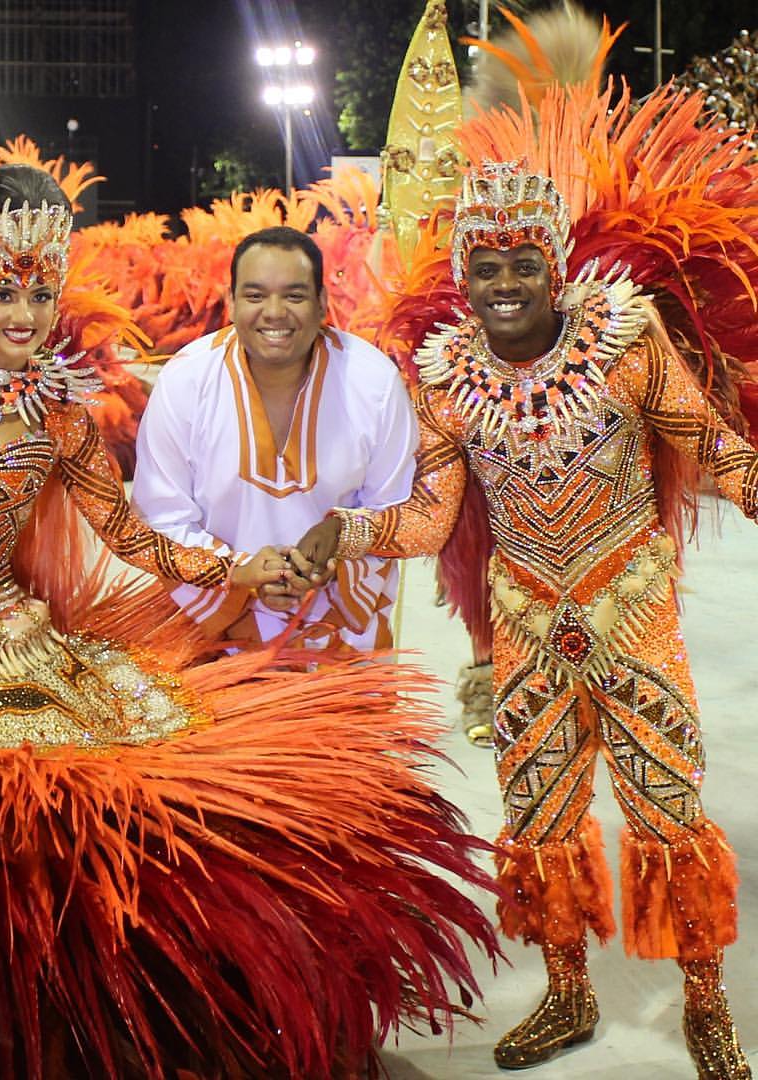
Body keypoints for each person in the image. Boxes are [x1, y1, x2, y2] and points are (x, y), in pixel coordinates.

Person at [0, 72, 501, 1077]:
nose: (24, 314)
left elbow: (134, 536)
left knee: (17, 822)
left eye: (39, 292)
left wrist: (238, 564)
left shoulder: (66, 418)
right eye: (2, 291)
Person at [298, 162, 756, 1077]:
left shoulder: (628, 342)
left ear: (555, 266)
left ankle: (706, 1006)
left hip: (630, 612)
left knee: (668, 811)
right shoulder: (446, 378)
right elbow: (431, 517)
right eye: (486, 266)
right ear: (463, 277)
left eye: (523, 264)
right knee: (538, 819)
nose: (504, 284)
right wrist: (345, 530)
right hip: (526, 625)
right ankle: (569, 993)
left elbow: (710, 442)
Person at [132, 226, 417, 649]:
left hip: (340, 631)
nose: (275, 312)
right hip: (211, 633)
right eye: (255, 295)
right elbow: (162, 517)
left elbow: (397, 513)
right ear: (230, 302)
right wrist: (240, 572)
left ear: (322, 303)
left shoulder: (373, 382)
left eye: (295, 296)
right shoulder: (185, 380)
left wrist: (332, 562)